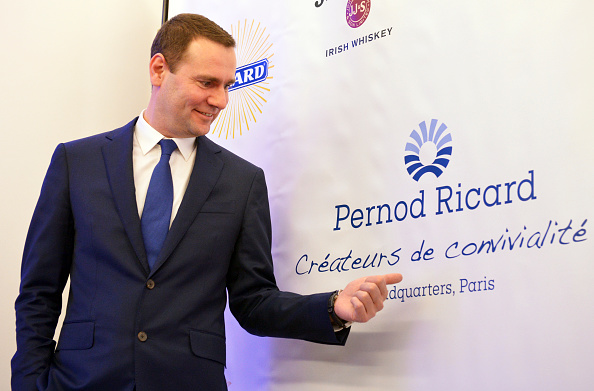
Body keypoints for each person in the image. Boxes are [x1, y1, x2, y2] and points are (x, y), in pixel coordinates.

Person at [12, 13, 403, 391]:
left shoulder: (242, 182)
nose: (221, 100)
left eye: (228, 85)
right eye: (207, 82)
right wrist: (30, 383)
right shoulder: (77, 162)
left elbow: (254, 302)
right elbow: (38, 291)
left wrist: (333, 308)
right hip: (82, 381)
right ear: (159, 70)